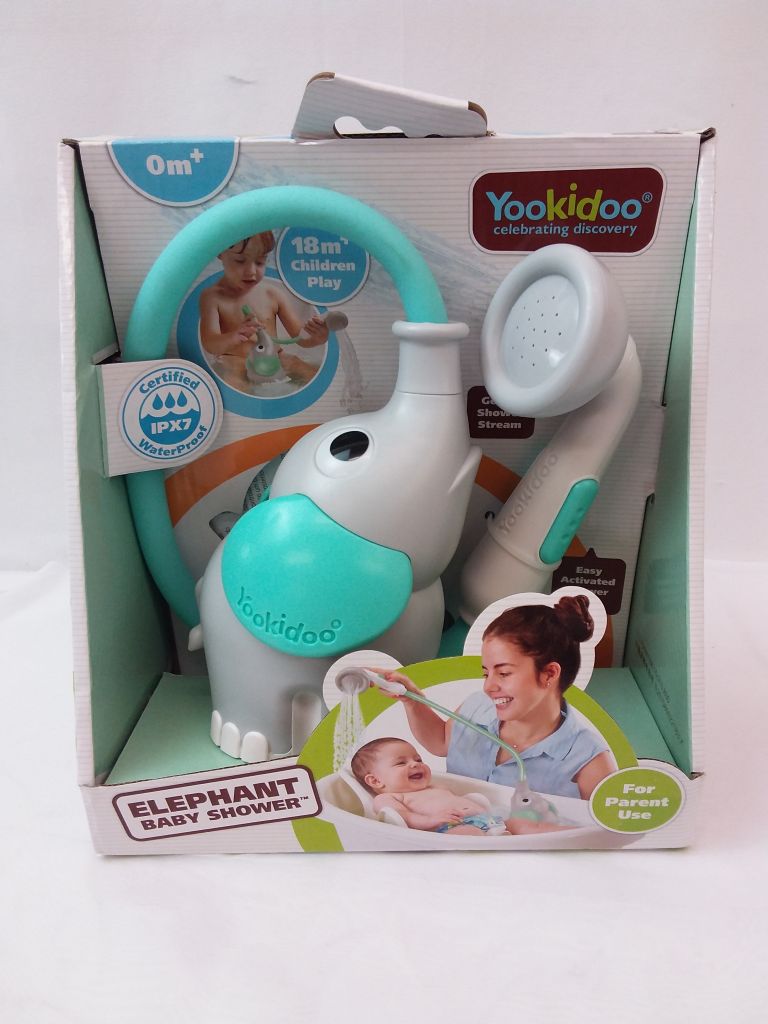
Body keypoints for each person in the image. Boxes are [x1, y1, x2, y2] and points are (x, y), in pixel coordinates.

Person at [382, 595, 616, 800]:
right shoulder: (477, 706)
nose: (488, 686)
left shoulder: (588, 759)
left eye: (504, 673)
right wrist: (412, 700)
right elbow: (441, 741)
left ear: (549, 674)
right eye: (486, 673)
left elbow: (606, 831)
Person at [350, 737, 566, 835]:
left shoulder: (434, 787)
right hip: (450, 829)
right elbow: (403, 818)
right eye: (401, 763)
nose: (415, 764)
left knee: (522, 824)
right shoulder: (388, 798)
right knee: (469, 836)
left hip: (491, 821)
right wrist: (431, 820)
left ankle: (572, 834)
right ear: (375, 781)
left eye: (417, 759)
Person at [198, 232, 328, 389]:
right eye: (240, 261)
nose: (251, 271)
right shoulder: (212, 297)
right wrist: (234, 336)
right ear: (220, 253)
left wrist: (317, 338)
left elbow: (300, 337)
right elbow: (210, 344)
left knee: (310, 373)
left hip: (276, 358)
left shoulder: (272, 294)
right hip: (235, 361)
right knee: (234, 382)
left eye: (259, 262)